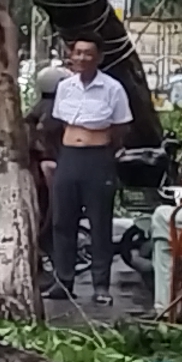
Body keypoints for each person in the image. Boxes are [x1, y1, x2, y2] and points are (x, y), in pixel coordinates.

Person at [39, 34, 135, 306]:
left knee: (99, 222)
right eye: (77, 52)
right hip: (69, 156)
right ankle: (63, 281)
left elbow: (121, 127)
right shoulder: (65, 87)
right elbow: (57, 124)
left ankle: (101, 285)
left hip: (98, 158)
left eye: (87, 53)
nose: (81, 58)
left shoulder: (112, 89)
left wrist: (105, 148)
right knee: (62, 221)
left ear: (99, 58)